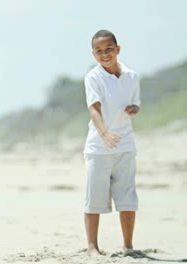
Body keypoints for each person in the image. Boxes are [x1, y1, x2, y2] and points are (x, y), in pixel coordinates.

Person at [83, 29, 141, 256]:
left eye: (109, 49)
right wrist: (105, 134)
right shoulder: (93, 77)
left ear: (118, 49)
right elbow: (94, 109)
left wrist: (135, 109)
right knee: (94, 197)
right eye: (99, 51)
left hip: (126, 145)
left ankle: (128, 246)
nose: (104, 54)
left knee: (127, 197)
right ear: (93, 53)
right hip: (99, 147)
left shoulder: (132, 76)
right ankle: (92, 247)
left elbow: (135, 104)